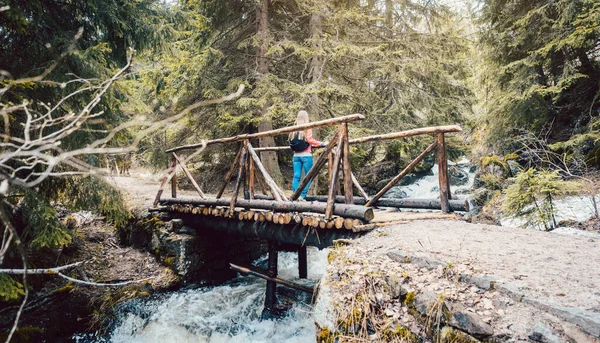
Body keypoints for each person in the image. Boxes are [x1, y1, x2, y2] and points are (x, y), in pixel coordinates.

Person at [289, 110, 327, 201]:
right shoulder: (307, 127)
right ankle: (302, 195)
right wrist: (321, 143)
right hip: (306, 155)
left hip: (296, 156)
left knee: (296, 176)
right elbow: (309, 140)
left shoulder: (293, 129)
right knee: (308, 176)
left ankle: (295, 195)